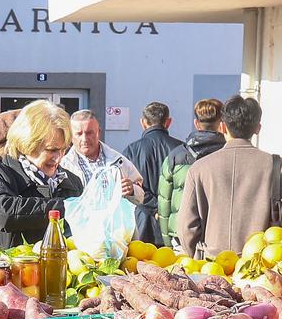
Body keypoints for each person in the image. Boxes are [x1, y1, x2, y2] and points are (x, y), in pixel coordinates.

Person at [177, 95, 282, 258]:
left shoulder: (199, 168)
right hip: (261, 266)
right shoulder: (277, 166)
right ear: (258, 128)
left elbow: (186, 227)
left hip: (212, 265)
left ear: (222, 127)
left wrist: (197, 257)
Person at [0, 100, 84, 249]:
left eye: (63, 149)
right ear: (28, 144)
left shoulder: (71, 182)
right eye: (51, 149)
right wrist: (68, 207)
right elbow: (2, 214)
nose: (58, 157)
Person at [156, 98, 226, 248]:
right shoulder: (228, 156)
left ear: (196, 123)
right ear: (222, 124)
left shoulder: (176, 156)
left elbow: (164, 202)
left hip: (180, 236)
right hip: (218, 236)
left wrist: (167, 241)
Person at [121, 101, 186, 245]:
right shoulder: (182, 149)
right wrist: (162, 210)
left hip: (142, 222)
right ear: (168, 122)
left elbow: (127, 188)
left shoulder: (132, 150)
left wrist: (154, 206)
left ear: (143, 122)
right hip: (173, 223)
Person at [65, 110, 143, 202]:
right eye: (79, 134)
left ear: (99, 133)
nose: (84, 139)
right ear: (70, 137)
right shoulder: (64, 165)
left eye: (89, 133)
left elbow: (141, 194)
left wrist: (132, 190)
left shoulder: (118, 160)